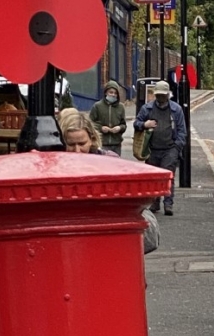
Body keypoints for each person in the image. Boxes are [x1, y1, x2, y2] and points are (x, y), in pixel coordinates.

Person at [59, 112, 159, 253]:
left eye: (82, 144)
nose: (77, 150)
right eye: (70, 144)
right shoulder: (56, 170)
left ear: (92, 139)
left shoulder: (111, 163)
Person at [133, 80, 186, 216]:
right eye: (158, 95)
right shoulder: (147, 108)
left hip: (170, 148)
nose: (160, 98)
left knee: (168, 176)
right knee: (154, 178)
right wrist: (145, 124)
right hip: (152, 149)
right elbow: (136, 123)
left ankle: (168, 204)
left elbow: (182, 131)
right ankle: (155, 203)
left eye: (163, 95)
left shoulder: (176, 109)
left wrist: (176, 147)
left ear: (168, 95)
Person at [89, 81, 127, 157]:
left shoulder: (121, 107)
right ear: (106, 92)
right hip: (102, 143)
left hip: (116, 144)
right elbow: (90, 123)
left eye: (115, 93)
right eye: (111, 92)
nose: (113, 95)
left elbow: (124, 125)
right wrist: (101, 128)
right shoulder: (97, 106)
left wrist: (119, 128)